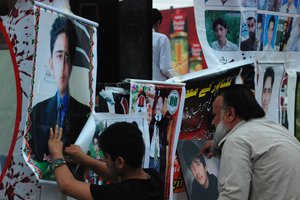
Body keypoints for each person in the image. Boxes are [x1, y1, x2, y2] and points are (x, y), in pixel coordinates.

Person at [201, 85, 300, 200]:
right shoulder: (276, 129)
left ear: (230, 113)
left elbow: (233, 196)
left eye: (215, 115)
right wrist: (219, 147)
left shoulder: (236, 141)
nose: (213, 122)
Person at [48, 122, 164, 200]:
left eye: (106, 157)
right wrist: (85, 159)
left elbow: (67, 185)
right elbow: (117, 177)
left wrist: (56, 153)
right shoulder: (153, 178)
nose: (103, 160)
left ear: (119, 162)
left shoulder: (121, 194)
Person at [29, 16, 90, 162]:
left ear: (73, 65)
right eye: (59, 56)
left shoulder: (85, 113)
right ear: (50, 63)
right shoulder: (36, 111)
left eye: (67, 58)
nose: (62, 66)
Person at [149, 91, 169, 178]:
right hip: (149, 154)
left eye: (160, 103)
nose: (158, 106)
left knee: (157, 177)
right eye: (157, 103)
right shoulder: (150, 120)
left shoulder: (165, 121)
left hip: (160, 156)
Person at [152, 8, 173, 81]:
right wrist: (177, 77)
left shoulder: (134, 39)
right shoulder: (161, 39)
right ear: (158, 23)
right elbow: (165, 68)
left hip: (135, 86)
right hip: (156, 87)